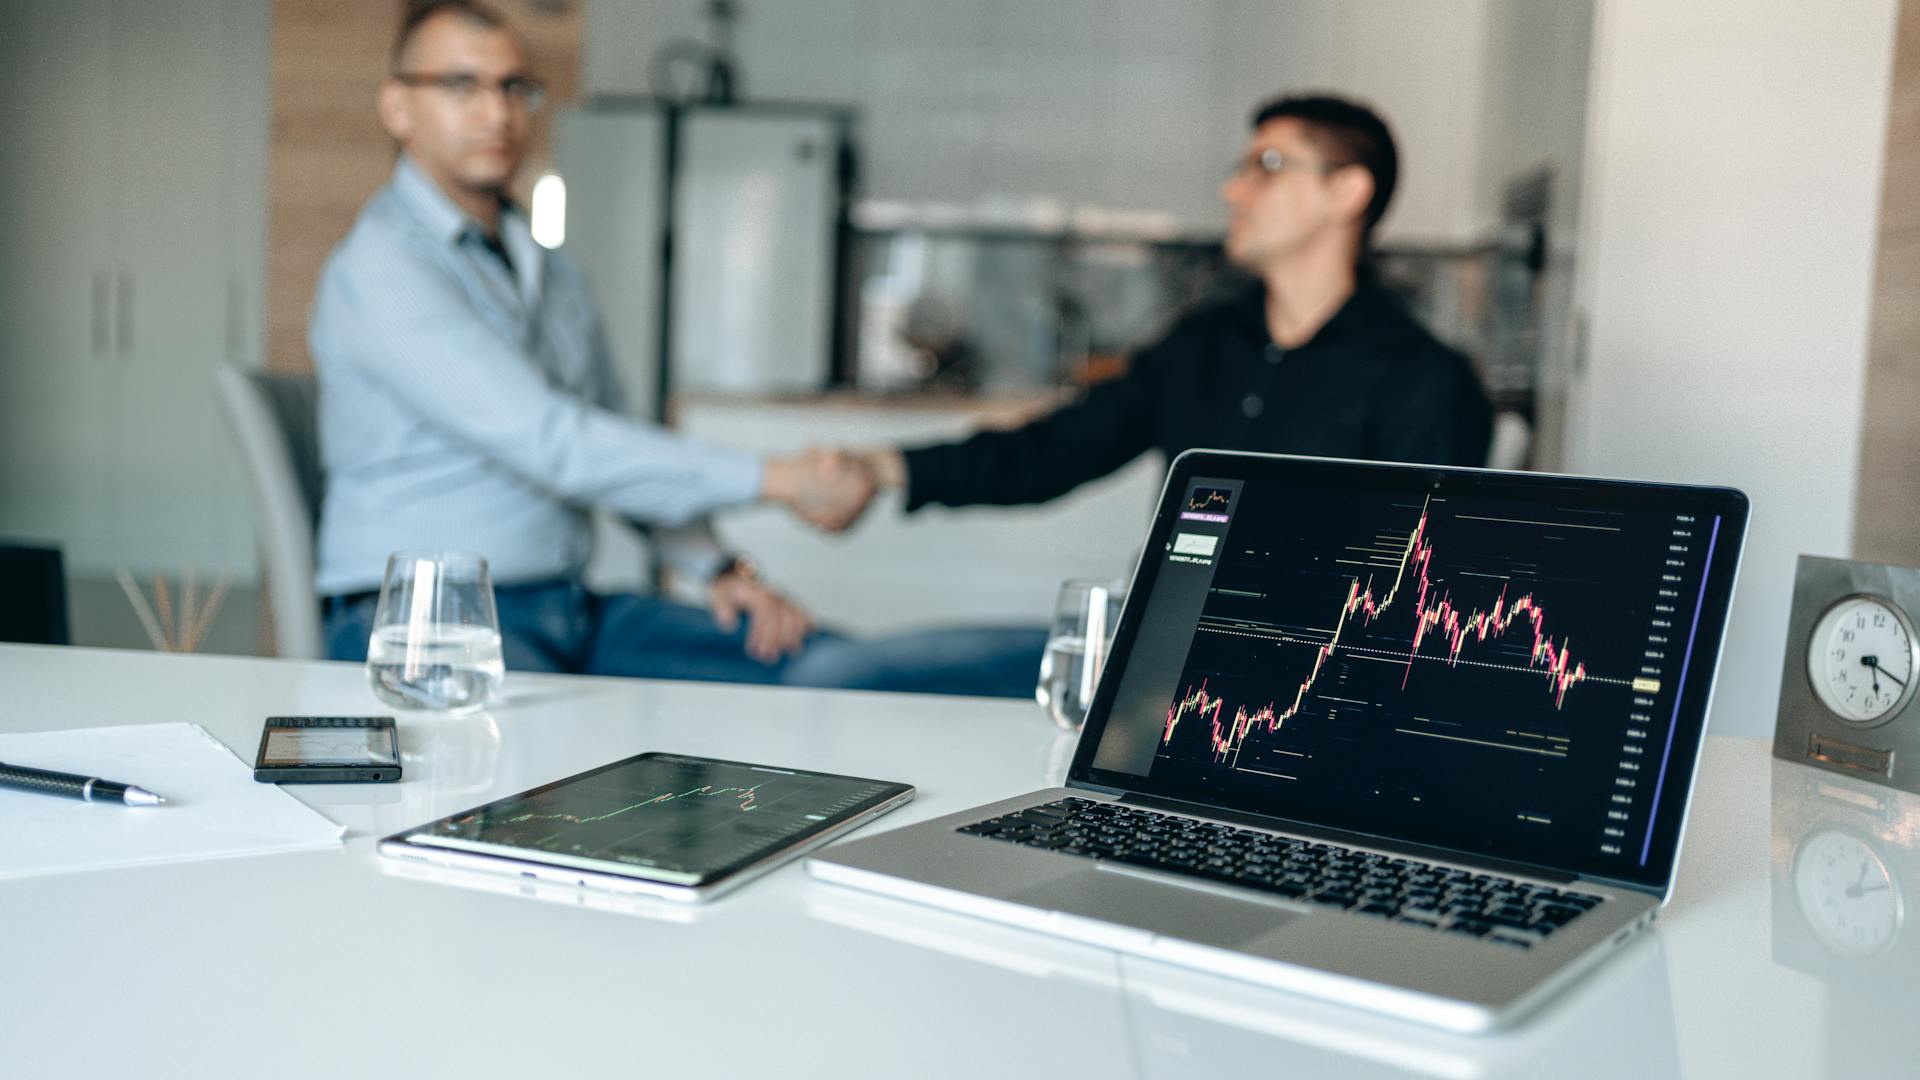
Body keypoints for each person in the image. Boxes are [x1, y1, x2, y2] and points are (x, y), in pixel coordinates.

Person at [789, 95, 1494, 695]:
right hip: (1144, 656)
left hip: (1292, 696)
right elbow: (1055, 449)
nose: (1234, 190)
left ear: (1348, 192)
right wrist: (885, 469)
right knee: (835, 673)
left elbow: (1422, 600)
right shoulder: (1205, 343)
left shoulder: (1425, 379)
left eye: (1268, 167)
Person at [311, 1, 873, 685]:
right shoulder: (381, 268)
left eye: (515, 87)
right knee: (532, 775)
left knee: (822, 667)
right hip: (426, 624)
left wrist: (720, 568)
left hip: (569, 609)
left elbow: (613, 438)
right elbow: (558, 443)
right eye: (462, 86)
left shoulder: (553, 268)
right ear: (398, 107)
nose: (498, 114)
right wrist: (782, 478)